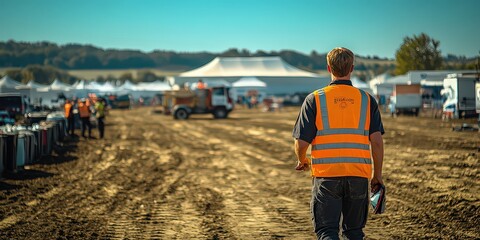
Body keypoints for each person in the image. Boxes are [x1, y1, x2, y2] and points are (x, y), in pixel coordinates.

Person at [292, 47, 384, 239]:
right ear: (352, 68)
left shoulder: (314, 99)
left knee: (327, 231)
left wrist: (303, 161)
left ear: (328, 68)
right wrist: (377, 175)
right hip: (358, 175)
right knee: (354, 232)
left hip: (327, 176)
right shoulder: (367, 100)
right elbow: (376, 142)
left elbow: (301, 143)